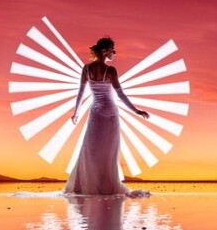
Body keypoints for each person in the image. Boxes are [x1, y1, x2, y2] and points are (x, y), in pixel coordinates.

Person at [63, 37, 152, 197]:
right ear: (105, 51)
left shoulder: (86, 69)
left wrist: (76, 112)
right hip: (110, 113)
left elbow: (81, 94)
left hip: (96, 114)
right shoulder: (111, 71)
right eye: (112, 49)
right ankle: (106, 186)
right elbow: (120, 94)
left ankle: (88, 185)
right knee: (107, 152)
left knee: (92, 149)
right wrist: (136, 110)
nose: (115, 52)